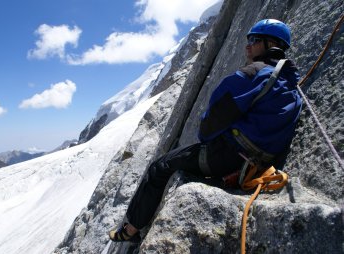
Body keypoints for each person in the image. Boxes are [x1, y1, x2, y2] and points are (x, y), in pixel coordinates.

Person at [109, 19, 302, 242]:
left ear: (271, 44)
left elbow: (211, 122)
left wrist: (212, 138)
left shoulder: (253, 74)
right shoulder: (291, 88)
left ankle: (130, 230)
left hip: (228, 156)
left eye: (254, 40)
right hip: (258, 164)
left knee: (159, 167)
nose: (247, 45)